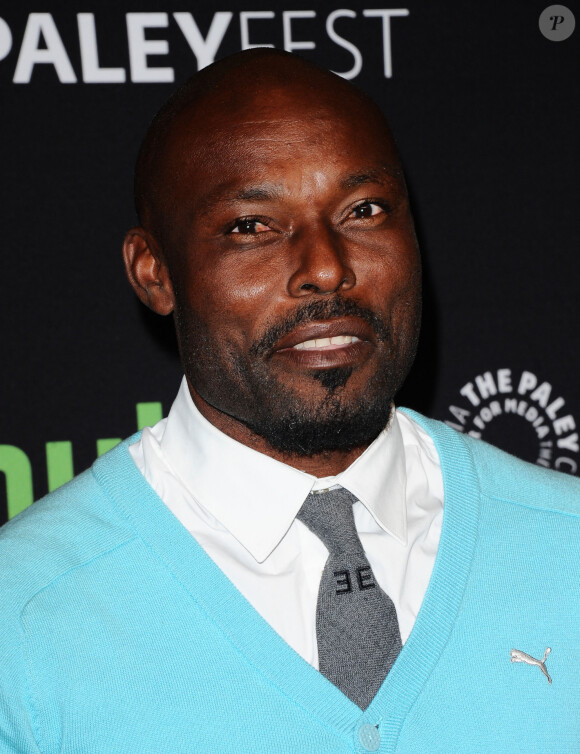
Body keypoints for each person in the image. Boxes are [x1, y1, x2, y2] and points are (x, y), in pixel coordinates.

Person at [0, 49, 578, 753]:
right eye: (251, 226)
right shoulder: (24, 615)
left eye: (363, 210)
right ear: (154, 272)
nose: (329, 267)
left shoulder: (565, 542)